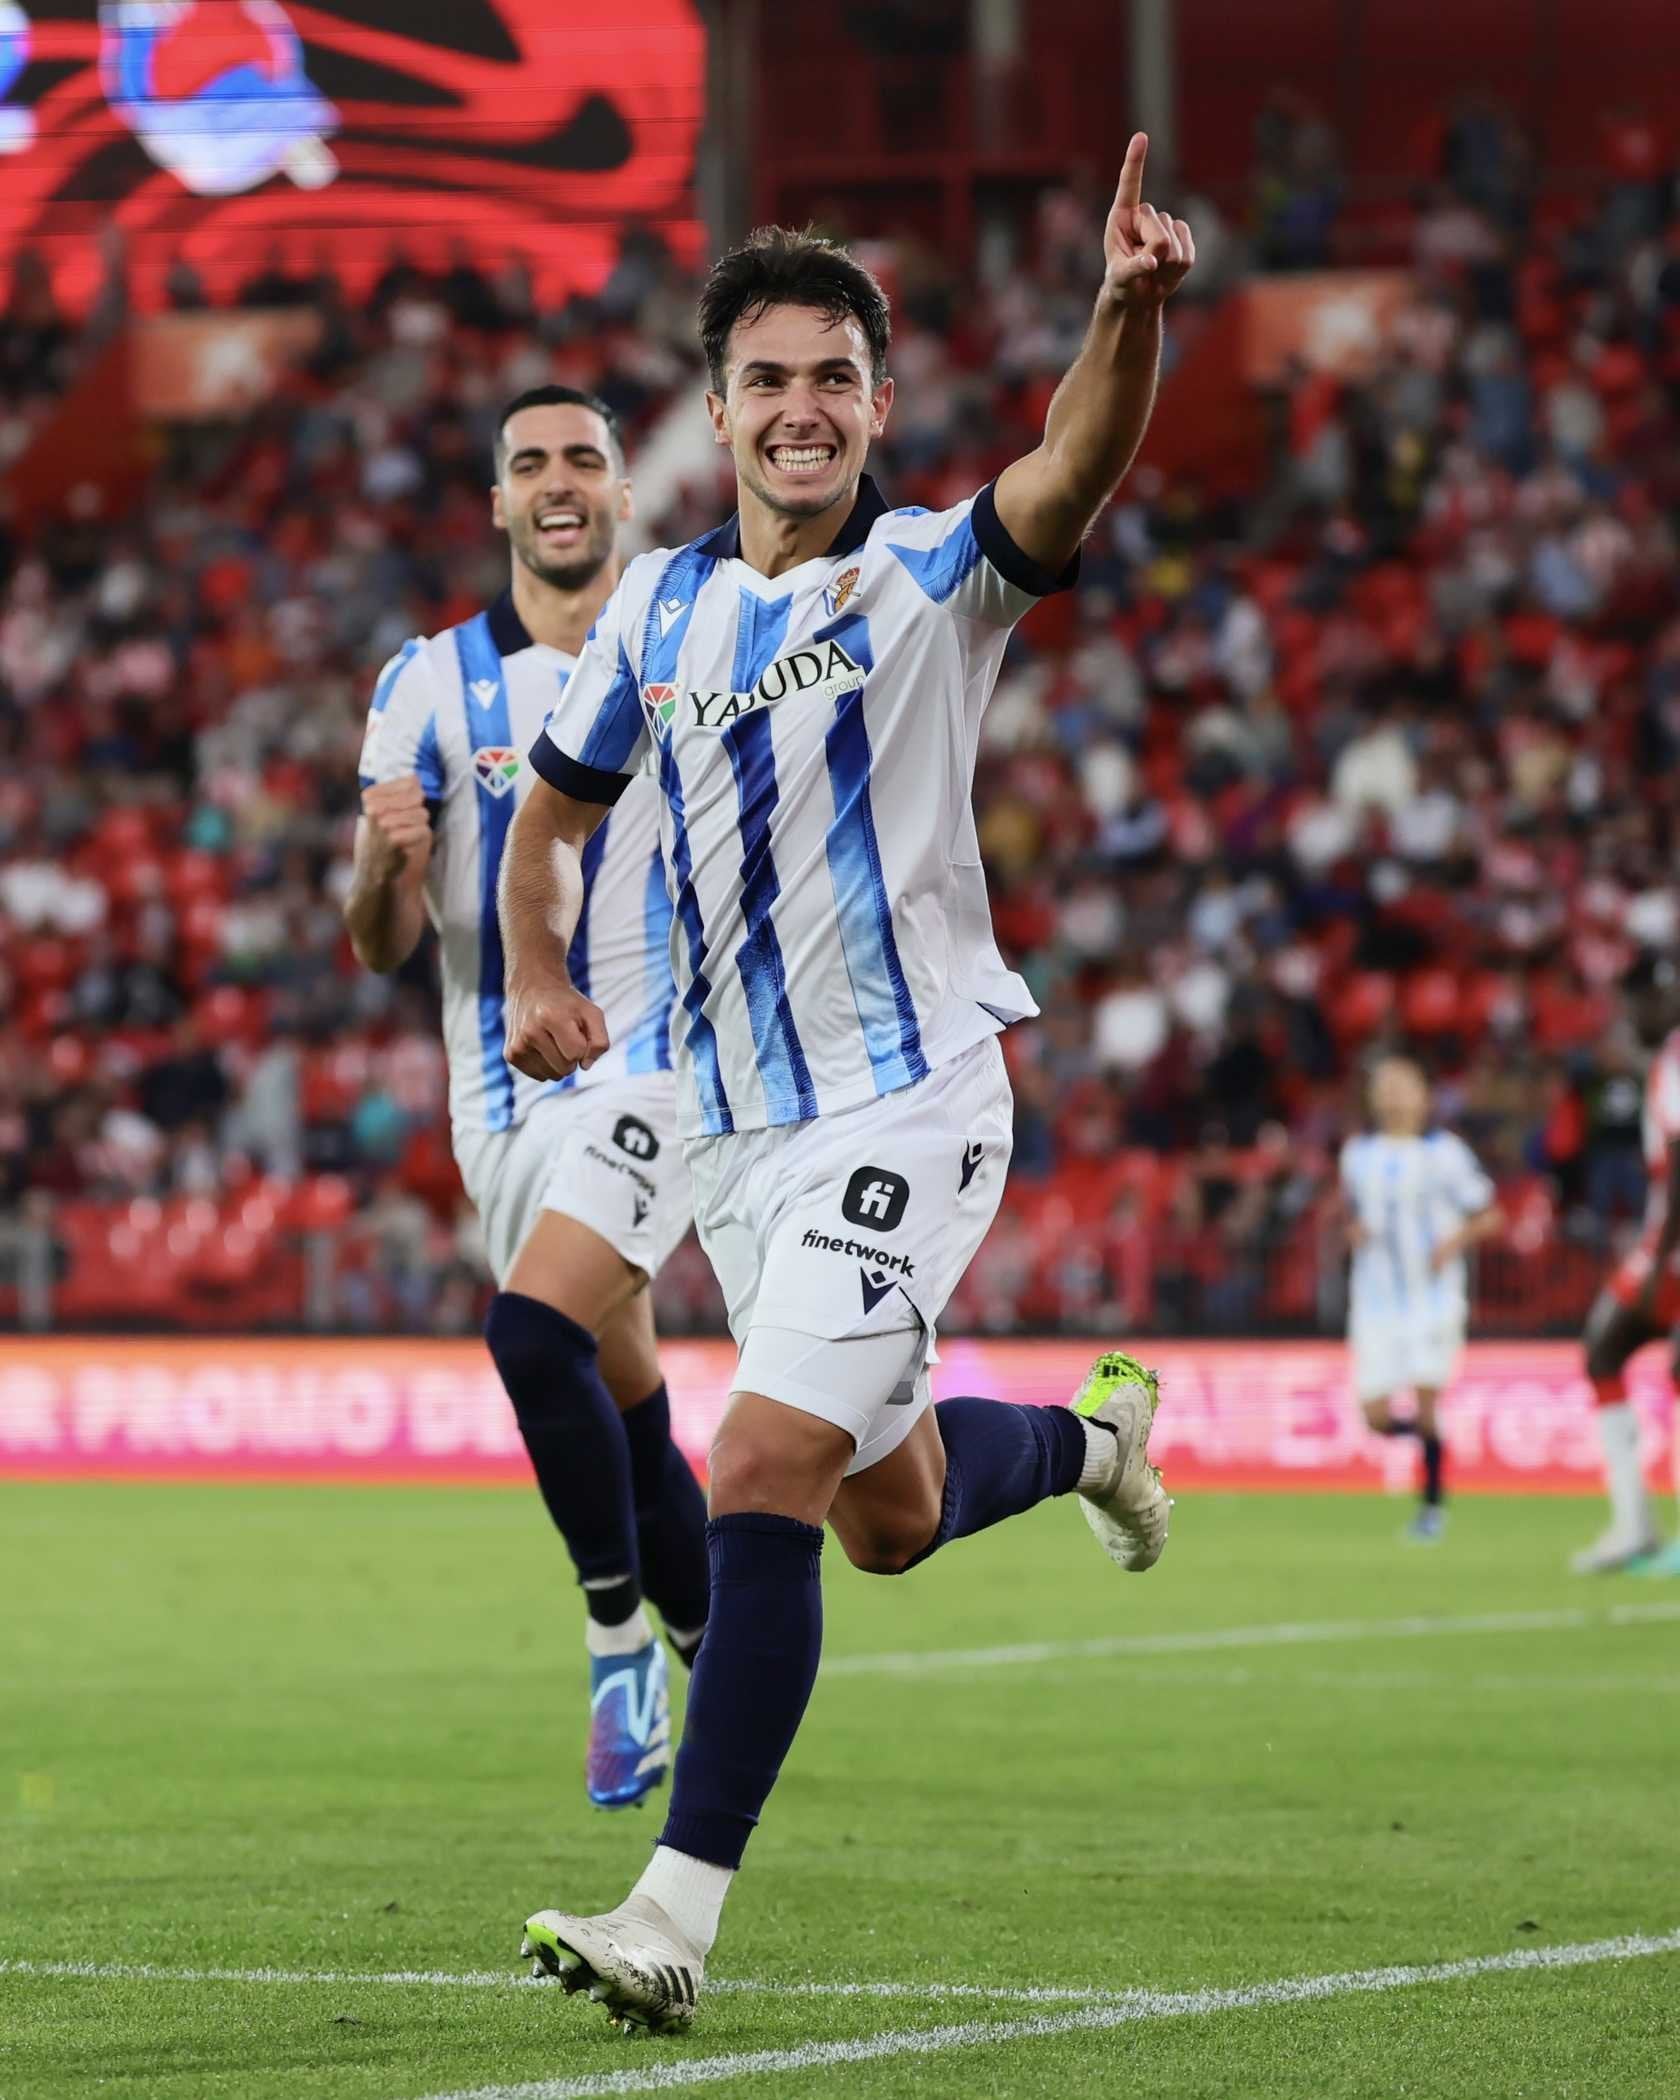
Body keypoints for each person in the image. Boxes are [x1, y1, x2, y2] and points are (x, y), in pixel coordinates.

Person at [498, 134, 1190, 2031]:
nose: (801, 409)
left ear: (879, 405)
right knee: (886, 1519)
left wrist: (1124, 313)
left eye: (834, 378)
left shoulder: (926, 576)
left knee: (759, 1469)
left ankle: (671, 1918)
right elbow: (549, 820)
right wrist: (540, 965)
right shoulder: (653, 612)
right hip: (735, 1138)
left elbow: (1072, 467)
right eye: (767, 380)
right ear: (718, 413)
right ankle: (1099, 1445)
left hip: (911, 1102)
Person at [343, 385, 709, 1810]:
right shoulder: (426, 681)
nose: (559, 483)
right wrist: (383, 865)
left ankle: (617, 1646)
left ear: (623, 491)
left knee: (529, 1329)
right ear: (498, 502)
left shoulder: (686, 647)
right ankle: (716, 1647)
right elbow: (381, 946)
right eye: (531, 465)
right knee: (624, 1400)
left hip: (652, 1065)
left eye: (584, 460)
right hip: (494, 1104)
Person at [1339, 1056, 1503, 1541]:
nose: (1392, 1094)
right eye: (1384, 1085)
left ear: (1424, 1096)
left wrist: (1453, 1242)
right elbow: (1355, 1213)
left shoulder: (1445, 1153)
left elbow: (1489, 1215)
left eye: (1403, 1085)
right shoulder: (1357, 1154)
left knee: (1426, 1399)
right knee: (1374, 1417)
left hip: (1432, 1298)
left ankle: (1431, 1507)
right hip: (1374, 1301)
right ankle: (1439, 1443)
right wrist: (1354, 1231)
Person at [1573, 955, 1680, 1575]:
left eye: (1636, 1002)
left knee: (1611, 1350)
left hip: (1671, 1246)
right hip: (1663, 1240)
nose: (1629, 1015)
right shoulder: (1664, 1060)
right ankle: (1634, 1525)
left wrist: (1662, 1261)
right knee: (1603, 1351)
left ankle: (1636, 1527)